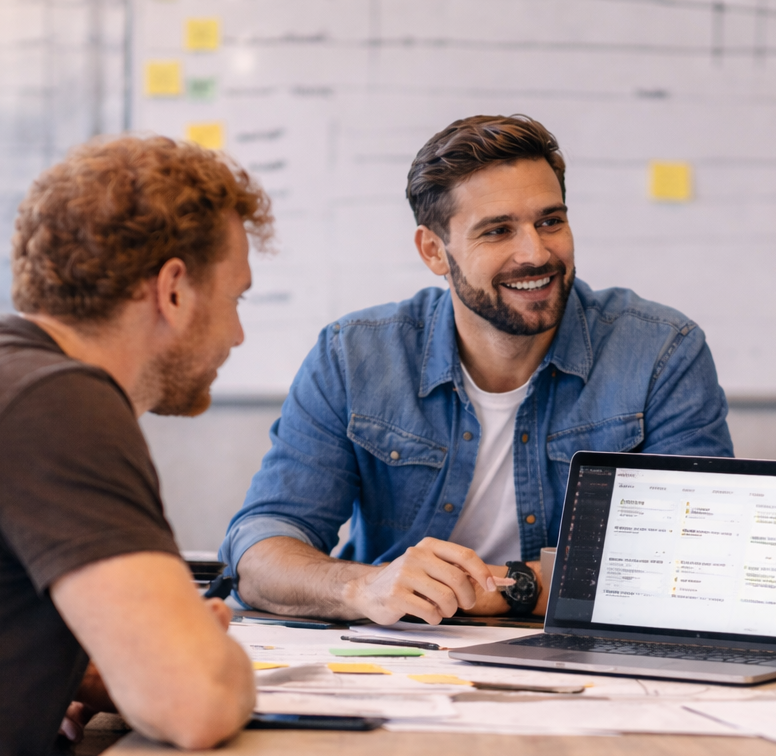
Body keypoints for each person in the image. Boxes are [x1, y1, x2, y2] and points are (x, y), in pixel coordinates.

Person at [0, 136, 264, 756]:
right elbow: (193, 704)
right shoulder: (57, 402)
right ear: (175, 289)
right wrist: (208, 654)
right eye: (237, 298)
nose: (239, 334)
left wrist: (75, 666)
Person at [222, 114, 732, 626]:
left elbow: (690, 560)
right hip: (395, 659)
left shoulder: (661, 352)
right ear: (433, 251)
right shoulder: (353, 357)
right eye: (498, 230)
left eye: (550, 221)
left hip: (585, 660)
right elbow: (261, 550)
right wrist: (362, 587)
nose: (535, 253)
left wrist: (503, 589)